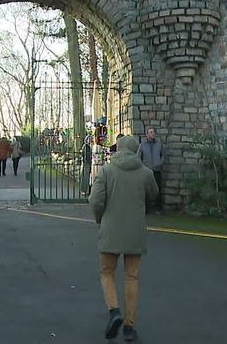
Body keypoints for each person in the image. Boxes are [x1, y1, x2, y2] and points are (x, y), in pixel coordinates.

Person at [89, 135, 158, 342]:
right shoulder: (145, 173)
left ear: (117, 149)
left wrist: (100, 218)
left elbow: (95, 200)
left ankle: (114, 311)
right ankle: (129, 326)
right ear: (137, 150)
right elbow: (154, 194)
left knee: (107, 272)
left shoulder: (106, 171)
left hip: (111, 229)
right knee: (131, 276)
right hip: (135, 231)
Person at [139, 126, 165, 213]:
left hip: (156, 170)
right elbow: (139, 156)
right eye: (150, 132)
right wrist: (143, 166)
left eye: (153, 132)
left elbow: (163, 155)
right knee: (146, 189)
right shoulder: (142, 145)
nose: (152, 134)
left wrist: (159, 163)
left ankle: (158, 208)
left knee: (157, 189)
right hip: (146, 170)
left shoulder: (158, 144)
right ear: (146, 134)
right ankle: (146, 208)